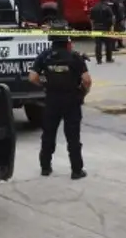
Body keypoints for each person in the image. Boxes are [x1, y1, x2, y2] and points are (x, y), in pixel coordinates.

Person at [29, 29, 91, 180]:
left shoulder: (44, 56)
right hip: (72, 101)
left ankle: (45, 167)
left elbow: (32, 77)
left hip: (52, 100)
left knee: (48, 134)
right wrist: (83, 93)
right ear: (67, 41)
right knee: (73, 137)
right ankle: (76, 171)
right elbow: (87, 80)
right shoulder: (75, 57)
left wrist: (45, 85)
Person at [89, 0, 115, 64]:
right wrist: (112, 29)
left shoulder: (94, 8)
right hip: (106, 28)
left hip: (96, 27)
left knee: (98, 45)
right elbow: (112, 18)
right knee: (108, 44)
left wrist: (92, 29)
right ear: (105, 0)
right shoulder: (107, 8)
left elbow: (91, 20)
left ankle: (99, 60)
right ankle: (108, 58)